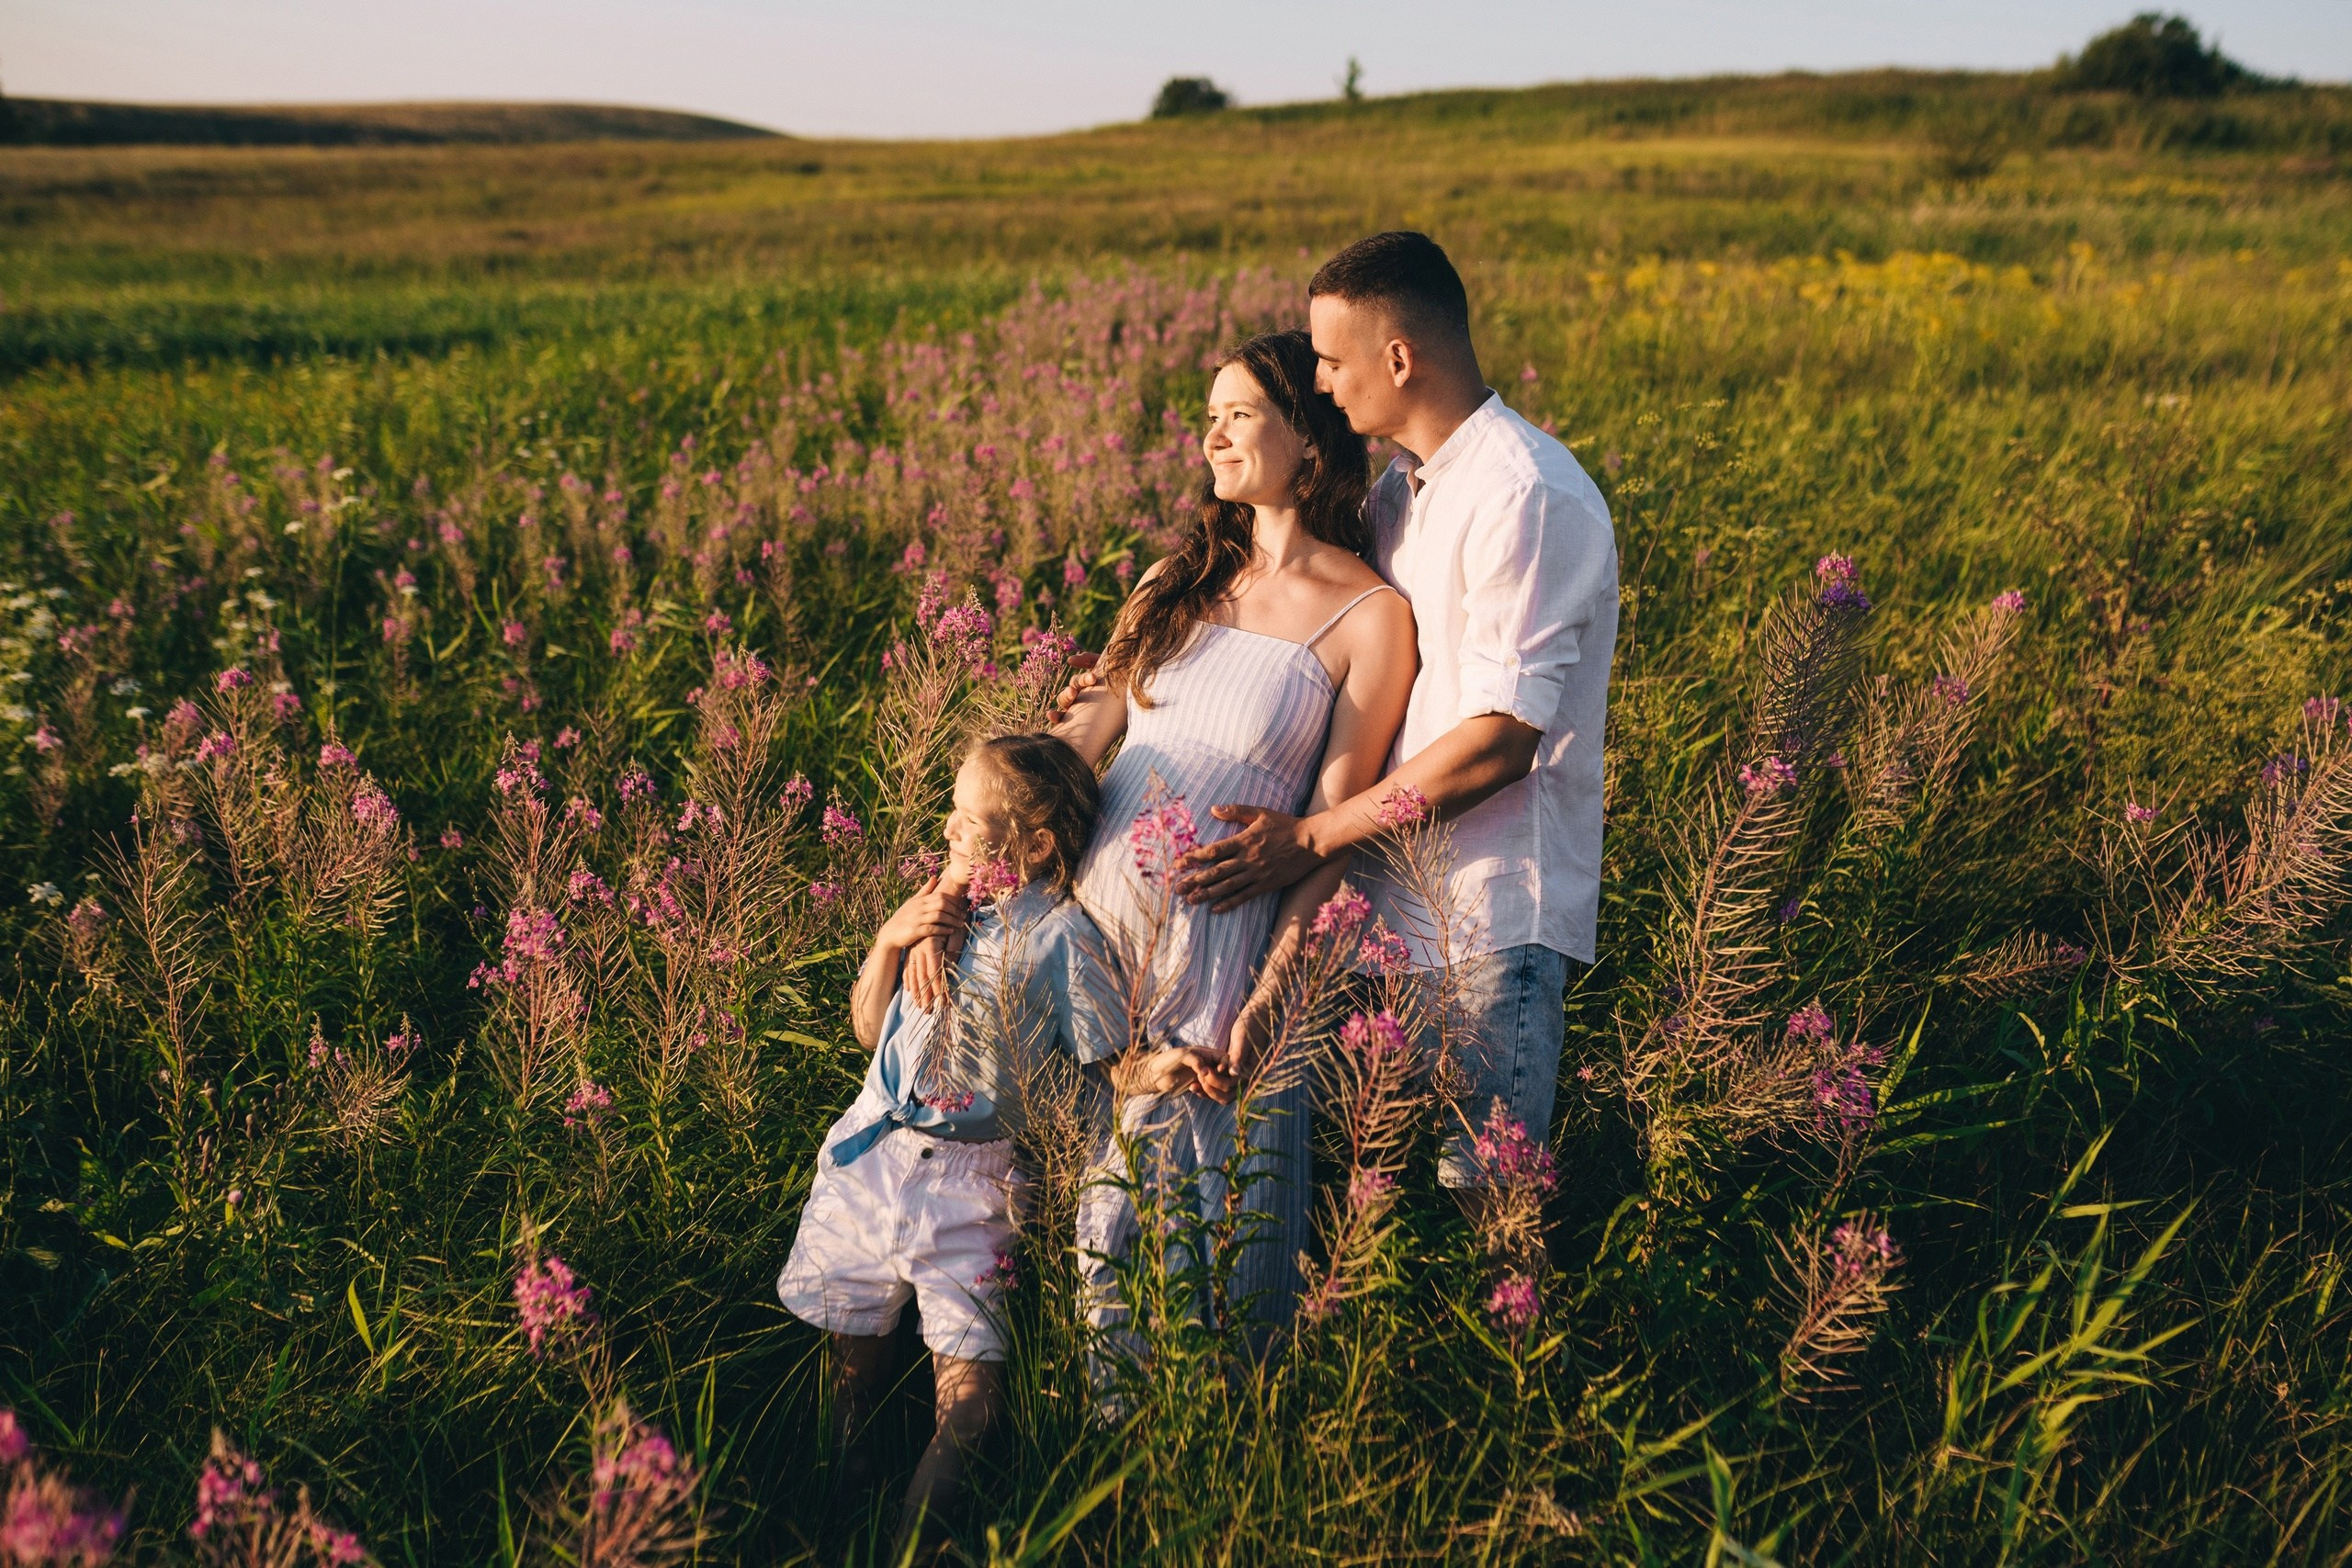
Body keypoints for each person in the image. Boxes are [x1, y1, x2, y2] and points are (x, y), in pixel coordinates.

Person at [1172, 231, 1619, 1206]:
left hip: (1487, 923)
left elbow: (1501, 740)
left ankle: (1522, 1363)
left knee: (1483, 1206)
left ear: (1399, 359)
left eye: (1332, 361)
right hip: (1379, 913)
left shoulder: (1526, 494)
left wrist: (1313, 834)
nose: (1323, 386)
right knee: (1366, 1207)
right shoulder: (1399, 495)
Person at [1053, 328, 1418, 1345]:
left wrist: (1269, 995)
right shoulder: (1175, 578)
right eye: (1208, 417)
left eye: (1238, 414)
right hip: (1087, 938)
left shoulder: (1369, 616)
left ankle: (1186, 1466)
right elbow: (1082, 739)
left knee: (1169, 1238)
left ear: (1306, 436)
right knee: (1050, 1218)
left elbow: (1330, 832)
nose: (1211, 435)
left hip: (1213, 962)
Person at [775, 732, 1124, 1545]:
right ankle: (841, 1512)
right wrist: (894, 935)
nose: (948, 830)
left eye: (969, 821)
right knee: (851, 1376)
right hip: (871, 1158)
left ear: (1035, 844)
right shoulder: (939, 907)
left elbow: (1107, 1062)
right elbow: (869, 1029)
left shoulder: (1060, 937)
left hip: (976, 1183)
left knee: (971, 1401)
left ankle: (907, 1544)